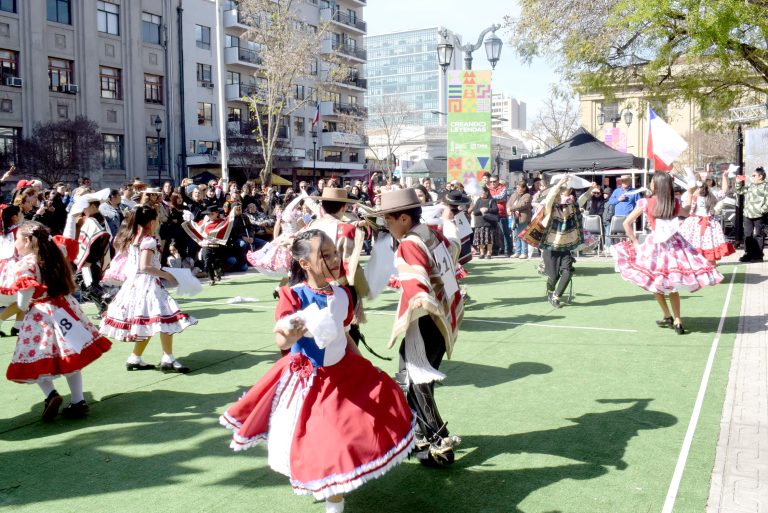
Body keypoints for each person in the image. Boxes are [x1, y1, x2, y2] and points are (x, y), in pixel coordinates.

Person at [220, 230, 414, 513]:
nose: (334, 259)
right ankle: (331, 498)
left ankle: (333, 487)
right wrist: (290, 333)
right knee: (322, 440)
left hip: (344, 372)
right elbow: (281, 340)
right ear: (305, 264)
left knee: (355, 427)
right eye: (324, 255)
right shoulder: (293, 296)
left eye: (335, 253)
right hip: (308, 380)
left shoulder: (343, 293)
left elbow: (343, 333)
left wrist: (363, 365)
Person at [374, 188, 464, 466]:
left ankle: (438, 442)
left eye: (388, 219)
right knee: (411, 379)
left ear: (402, 218)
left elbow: (416, 280)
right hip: (440, 318)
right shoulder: (429, 232)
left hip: (426, 319)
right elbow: (452, 248)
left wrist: (421, 296)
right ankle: (423, 437)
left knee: (415, 381)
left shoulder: (410, 243)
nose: (386, 225)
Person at [1, 221, 112, 421]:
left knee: (35, 356)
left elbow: (24, 295)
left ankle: (51, 394)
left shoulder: (25, 263)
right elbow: (67, 244)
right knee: (70, 353)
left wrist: (24, 306)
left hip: (41, 314)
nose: (15, 242)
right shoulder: (56, 252)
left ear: (26, 241)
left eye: (17, 238)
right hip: (65, 308)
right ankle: (78, 400)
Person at [611, 172, 723, 334]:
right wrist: (690, 193)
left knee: (654, 280)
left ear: (655, 186)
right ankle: (676, 319)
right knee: (673, 285)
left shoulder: (645, 202)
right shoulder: (674, 203)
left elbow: (627, 223)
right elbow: (686, 212)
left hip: (655, 245)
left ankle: (667, 314)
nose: (650, 184)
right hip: (676, 245)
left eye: (651, 182)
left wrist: (635, 243)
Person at [100, 205, 197, 372]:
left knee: (148, 322)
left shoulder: (133, 238)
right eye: (157, 218)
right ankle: (167, 357)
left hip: (134, 285)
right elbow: (145, 266)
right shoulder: (148, 241)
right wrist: (167, 275)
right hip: (147, 285)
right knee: (163, 319)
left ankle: (136, 358)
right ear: (152, 222)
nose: (158, 221)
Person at [539, 176, 593, 308]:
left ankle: (556, 296)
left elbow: (581, 200)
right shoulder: (548, 209)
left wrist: (590, 189)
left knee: (568, 271)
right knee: (553, 276)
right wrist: (559, 184)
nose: (557, 198)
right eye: (556, 196)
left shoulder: (569, 208)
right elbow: (551, 196)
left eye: (559, 196)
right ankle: (551, 290)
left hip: (565, 248)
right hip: (550, 248)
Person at [679, 175, 734, 265]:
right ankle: (702, 272)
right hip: (696, 225)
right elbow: (686, 208)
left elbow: (724, 191)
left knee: (708, 250)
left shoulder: (711, 194)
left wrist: (724, 176)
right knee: (694, 250)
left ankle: (710, 273)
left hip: (706, 225)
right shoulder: (689, 194)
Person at [183, 206, 235, 285]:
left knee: (217, 263)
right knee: (207, 263)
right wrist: (189, 221)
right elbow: (195, 227)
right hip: (206, 246)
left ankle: (218, 272)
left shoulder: (222, 222)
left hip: (218, 247)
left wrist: (234, 209)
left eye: (212, 214)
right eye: (208, 214)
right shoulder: (204, 222)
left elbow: (229, 222)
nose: (210, 215)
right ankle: (211, 279)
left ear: (217, 213)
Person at [734, 166, 768, 262]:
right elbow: (739, 191)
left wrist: (763, 210)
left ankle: (758, 256)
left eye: (754, 175)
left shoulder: (766, 186)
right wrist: (738, 181)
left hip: (759, 214)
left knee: (758, 235)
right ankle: (748, 254)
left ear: (760, 176)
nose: (752, 177)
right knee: (747, 234)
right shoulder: (751, 185)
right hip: (747, 214)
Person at [470, 186, 498, 259]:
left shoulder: (491, 200)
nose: (481, 194)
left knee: (489, 239)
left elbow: (495, 210)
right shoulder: (478, 201)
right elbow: (474, 212)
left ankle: (489, 252)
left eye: (483, 192)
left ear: (487, 192)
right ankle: (482, 253)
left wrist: (487, 209)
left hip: (489, 222)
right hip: (479, 222)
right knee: (480, 239)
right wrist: (480, 210)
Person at [506, 180, 533, 259]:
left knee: (523, 235)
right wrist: (508, 209)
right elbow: (509, 203)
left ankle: (524, 252)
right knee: (516, 235)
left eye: (519, 187)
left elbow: (522, 205)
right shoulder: (514, 194)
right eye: (517, 187)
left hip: (523, 218)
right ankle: (517, 252)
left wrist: (511, 208)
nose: (517, 189)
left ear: (524, 188)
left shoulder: (527, 195)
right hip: (515, 217)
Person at [487, 175, 511, 256]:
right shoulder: (488, 189)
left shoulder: (503, 188)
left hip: (501, 213)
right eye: (491, 182)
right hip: (491, 214)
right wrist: (494, 200)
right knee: (493, 233)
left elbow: (501, 197)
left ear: (498, 181)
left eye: (494, 181)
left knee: (504, 232)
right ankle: (497, 249)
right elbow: (487, 199)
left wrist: (491, 199)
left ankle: (508, 250)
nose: (492, 183)